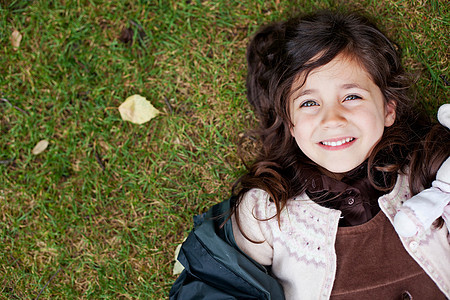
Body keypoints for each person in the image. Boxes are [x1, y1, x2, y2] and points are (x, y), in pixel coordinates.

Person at [170, 10, 450, 299]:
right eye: (309, 103)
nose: (332, 118)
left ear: (388, 108)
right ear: (289, 122)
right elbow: (215, 281)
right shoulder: (266, 210)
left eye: (352, 97)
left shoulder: (427, 171)